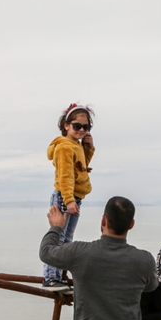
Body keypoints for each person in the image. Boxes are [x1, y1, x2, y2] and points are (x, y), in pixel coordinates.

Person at [42, 103, 95, 289]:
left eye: (86, 127)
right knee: (59, 238)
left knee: (66, 240)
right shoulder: (64, 147)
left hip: (73, 198)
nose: (81, 130)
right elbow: (65, 176)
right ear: (66, 125)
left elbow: (80, 169)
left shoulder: (75, 145)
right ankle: (50, 277)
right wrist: (69, 200)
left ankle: (59, 277)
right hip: (66, 197)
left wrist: (88, 148)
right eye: (77, 126)